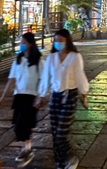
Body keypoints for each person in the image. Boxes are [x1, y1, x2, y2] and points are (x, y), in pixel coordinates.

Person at [37, 30, 89, 169]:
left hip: (70, 96)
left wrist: (84, 94)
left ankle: (71, 157)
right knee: (55, 134)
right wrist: (41, 95)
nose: (58, 43)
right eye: (56, 40)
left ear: (67, 41)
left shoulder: (75, 57)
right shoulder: (51, 58)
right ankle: (60, 163)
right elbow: (46, 77)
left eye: (61, 40)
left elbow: (80, 76)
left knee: (61, 133)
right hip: (55, 97)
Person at [0, 33, 44, 167]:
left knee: (25, 123)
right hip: (19, 96)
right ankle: (27, 146)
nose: (21, 44)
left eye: (23, 42)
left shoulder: (38, 61)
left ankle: (27, 148)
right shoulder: (17, 61)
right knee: (18, 124)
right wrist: (3, 97)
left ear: (30, 43)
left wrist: (40, 97)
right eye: (21, 42)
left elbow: (43, 80)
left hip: (31, 96)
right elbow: (11, 79)